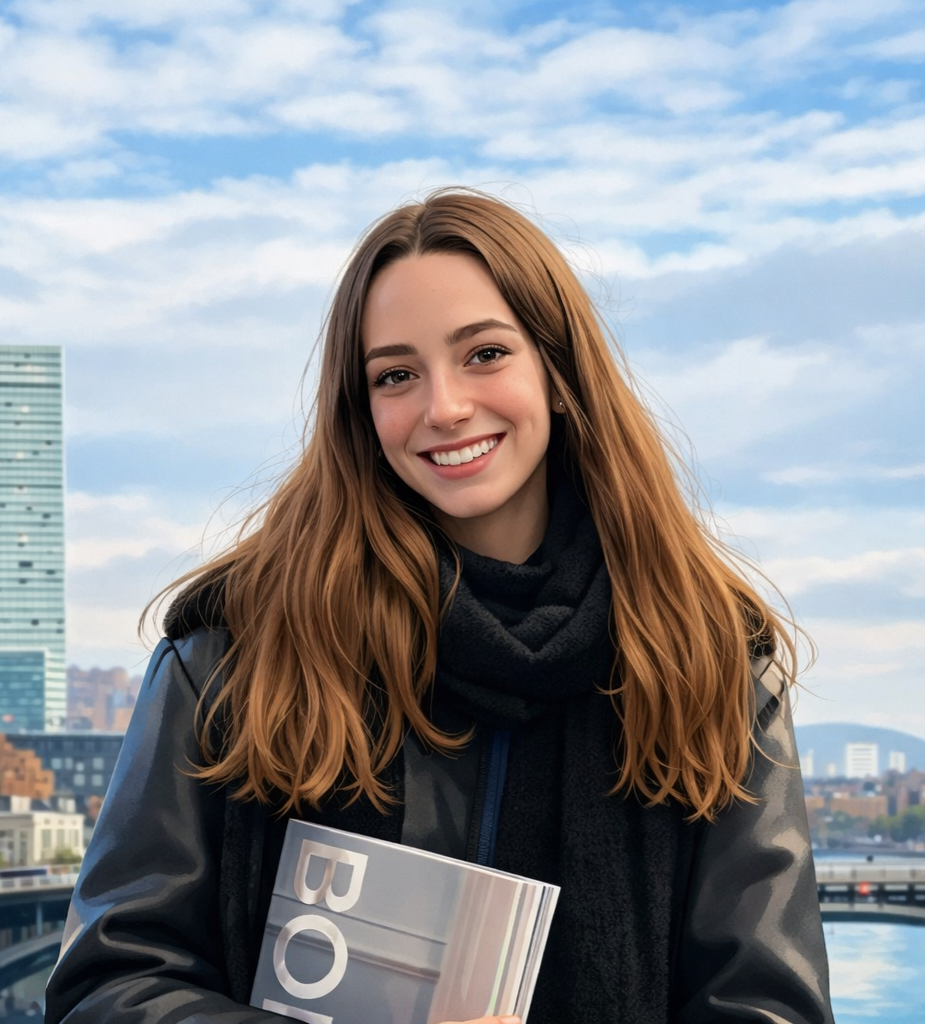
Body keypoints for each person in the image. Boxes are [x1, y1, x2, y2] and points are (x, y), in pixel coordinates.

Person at [44, 189, 835, 1024]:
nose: (444, 407)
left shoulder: (704, 659)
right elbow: (110, 983)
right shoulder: (236, 652)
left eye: (485, 354)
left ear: (560, 375)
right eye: (395, 375)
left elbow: (764, 1005)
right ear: (363, 412)